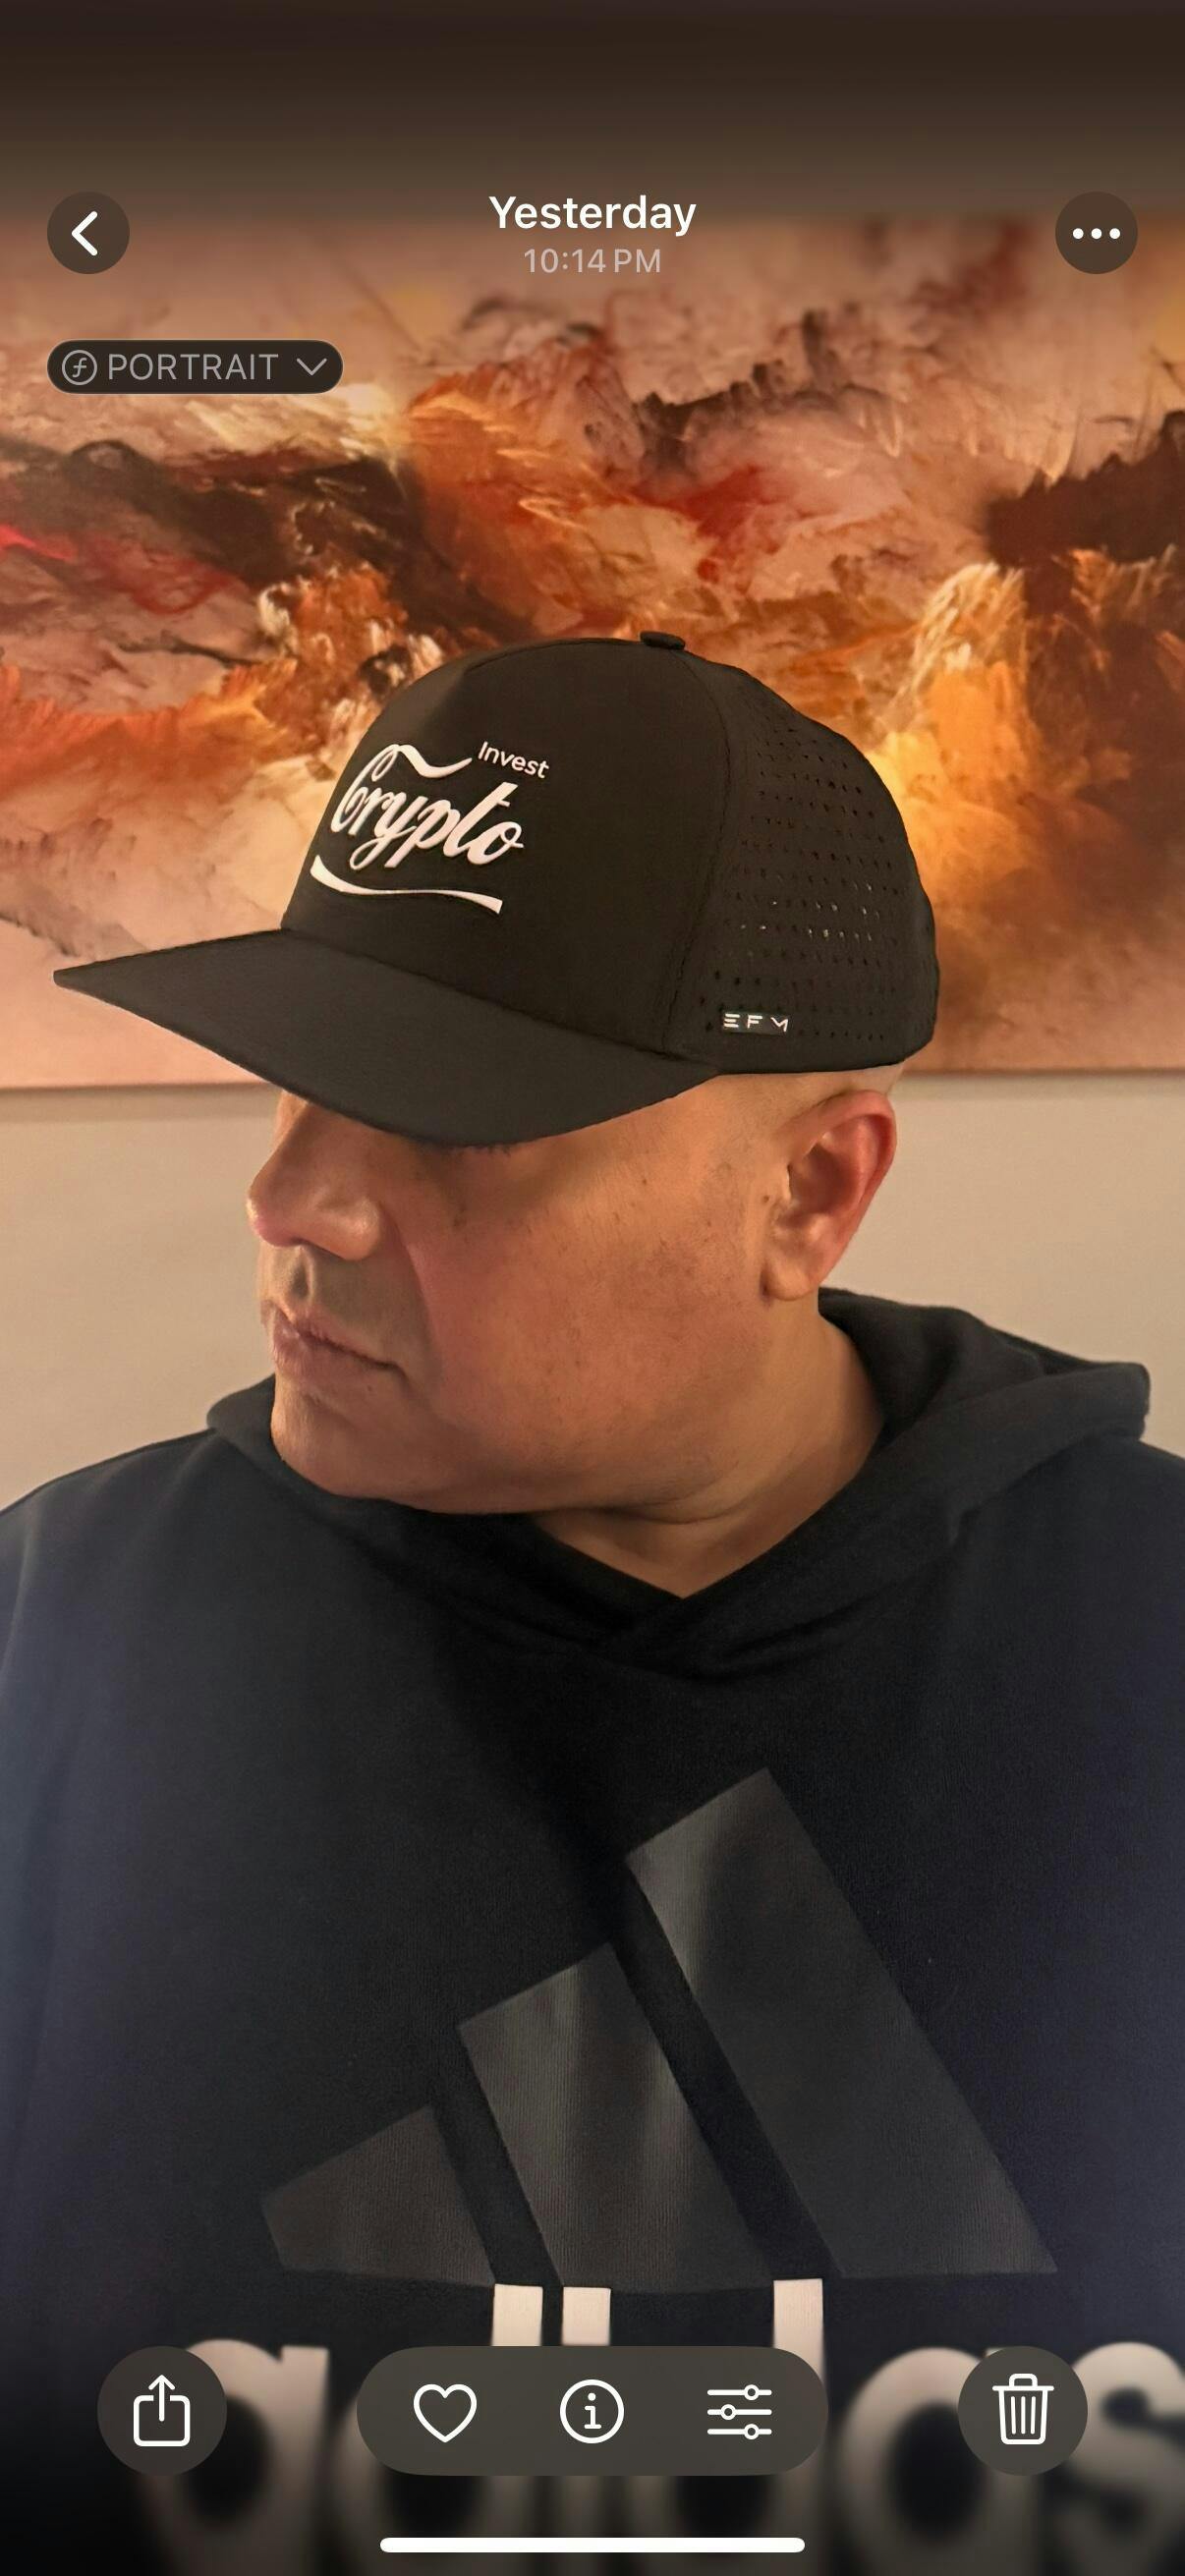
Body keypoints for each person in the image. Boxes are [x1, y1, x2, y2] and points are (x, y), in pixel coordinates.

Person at [2, 632, 1183, 2571]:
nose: (292, 1203)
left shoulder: (1145, 1645)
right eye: (297, 1088)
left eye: (451, 1124)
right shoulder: (57, 1637)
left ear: (810, 1193)